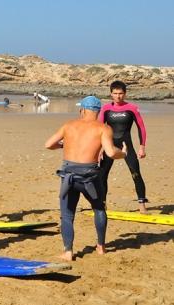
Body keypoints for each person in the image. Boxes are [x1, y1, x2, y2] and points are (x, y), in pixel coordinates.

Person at [45, 96, 127, 261]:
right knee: (99, 209)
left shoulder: (69, 125)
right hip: (90, 176)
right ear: (98, 112)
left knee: (67, 214)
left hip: (69, 176)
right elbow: (111, 152)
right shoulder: (103, 128)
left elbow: (48, 144)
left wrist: (64, 144)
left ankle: (68, 252)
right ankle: (101, 247)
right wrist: (123, 153)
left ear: (82, 110)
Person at [98, 81, 149, 213]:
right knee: (102, 175)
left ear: (125, 94)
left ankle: (142, 204)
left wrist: (142, 147)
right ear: (111, 94)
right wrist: (100, 148)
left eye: (120, 93)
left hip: (127, 144)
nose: (118, 96)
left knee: (135, 173)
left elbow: (141, 127)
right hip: (109, 145)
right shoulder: (106, 109)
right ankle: (102, 205)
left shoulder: (132, 108)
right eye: (115, 93)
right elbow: (99, 129)